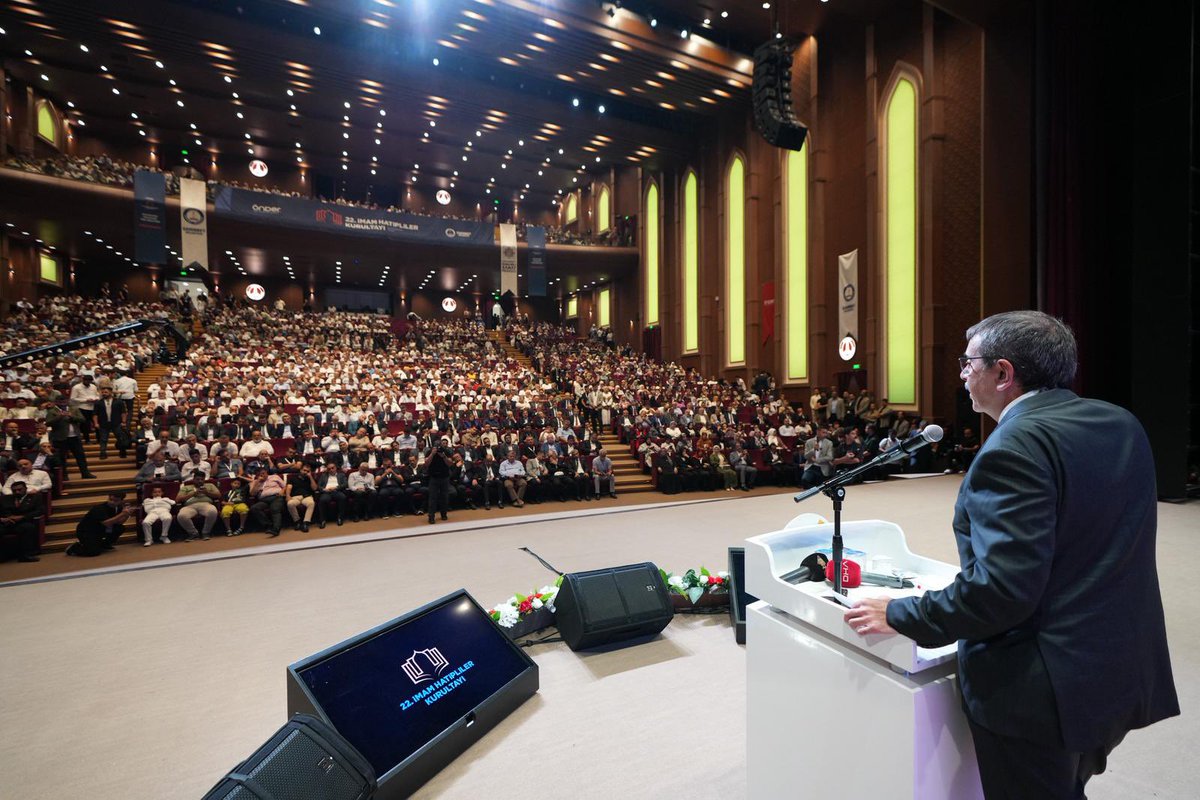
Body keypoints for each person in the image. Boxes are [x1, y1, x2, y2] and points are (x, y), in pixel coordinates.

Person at [844, 311, 1179, 800]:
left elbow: (1002, 592)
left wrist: (901, 612)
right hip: (1114, 667)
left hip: (1040, 691)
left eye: (968, 362)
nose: (961, 372)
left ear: (1002, 373)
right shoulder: (1119, 423)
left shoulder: (1014, 447)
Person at [68, 492, 134, 556]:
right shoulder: (99, 509)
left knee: (120, 528)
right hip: (87, 531)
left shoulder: (118, 508)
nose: (112, 502)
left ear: (121, 501)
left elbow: (119, 522)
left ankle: (104, 545)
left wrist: (127, 515)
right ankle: (74, 548)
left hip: (101, 529)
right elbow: (106, 523)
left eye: (116, 501)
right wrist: (122, 514)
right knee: (93, 552)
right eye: (110, 499)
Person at [0, 481, 45, 562]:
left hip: (21, 522)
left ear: (25, 489)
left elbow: (40, 511)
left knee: (28, 528)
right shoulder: (4, 499)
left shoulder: (35, 497)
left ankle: (25, 555)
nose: (17, 492)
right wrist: (2, 519)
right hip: (5, 523)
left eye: (19, 489)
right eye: (14, 490)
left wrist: (23, 517)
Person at [175, 474, 220, 541]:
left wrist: (207, 493)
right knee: (181, 516)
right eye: (197, 479)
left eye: (202, 479)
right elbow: (177, 499)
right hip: (189, 506)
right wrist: (192, 494)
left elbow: (218, 495)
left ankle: (205, 532)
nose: (200, 481)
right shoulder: (186, 487)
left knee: (212, 511)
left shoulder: (210, 485)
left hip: (206, 504)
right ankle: (193, 533)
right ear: (193, 480)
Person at [423, 444, 452, 523]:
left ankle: (444, 514)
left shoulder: (446, 451)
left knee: (444, 497)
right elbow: (426, 463)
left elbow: (450, 464)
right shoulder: (429, 452)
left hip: (444, 477)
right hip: (434, 478)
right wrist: (432, 454)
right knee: (432, 498)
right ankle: (431, 516)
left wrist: (444, 456)